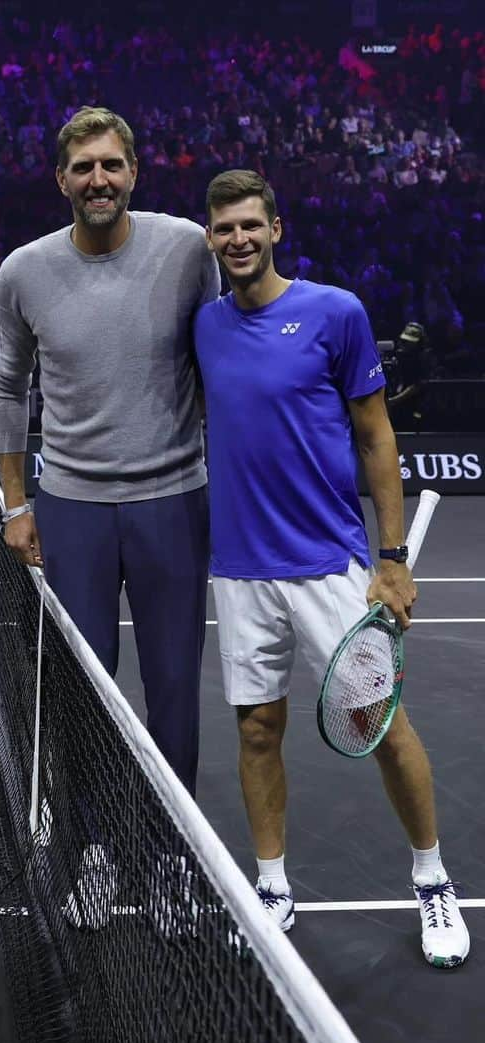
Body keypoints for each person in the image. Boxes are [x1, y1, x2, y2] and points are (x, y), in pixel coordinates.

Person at [194, 169, 468, 968]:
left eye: (251, 224)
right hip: (241, 570)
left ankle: (432, 880)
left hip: (330, 565)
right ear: (209, 238)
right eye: (223, 229)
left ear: (276, 228)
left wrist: (391, 560)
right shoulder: (204, 326)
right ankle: (273, 884)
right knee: (256, 729)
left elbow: (378, 438)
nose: (238, 239)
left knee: (379, 727)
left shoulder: (334, 313)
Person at [0, 106, 219, 798]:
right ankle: (91, 844)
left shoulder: (187, 250)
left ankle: (172, 853)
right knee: (81, 697)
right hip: (72, 510)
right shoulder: (23, 271)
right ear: (61, 180)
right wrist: (15, 505)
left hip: (175, 502)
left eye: (111, 165)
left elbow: (217, 361)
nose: (99, 179)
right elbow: (8, 389)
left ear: (134, 172)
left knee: (175, 691)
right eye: (84, 167)